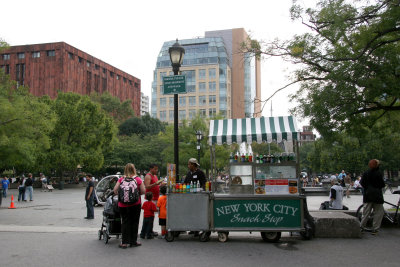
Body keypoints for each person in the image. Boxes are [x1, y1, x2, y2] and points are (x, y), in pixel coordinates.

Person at [113, 163, 145, 249]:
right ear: (134, 169)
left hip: (123, 205)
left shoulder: (121, 179)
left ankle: (124, 242)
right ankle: (133, 241)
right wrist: (136, 194)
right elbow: (143, 191)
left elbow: (115, 190)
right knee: (134, 222)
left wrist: (121, 195)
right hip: (135, 204)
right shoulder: (138, 179)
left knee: (125, 222)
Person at [360, 159, 385, 235]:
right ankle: (375, 229)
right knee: (378, 212)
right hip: (377, 195)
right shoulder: (378, 173)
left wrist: (367, 188)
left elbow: (362, 183)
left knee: (366, 212)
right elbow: (382, 184)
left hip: (368, 195)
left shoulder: (366, 173)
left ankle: (361, 227)